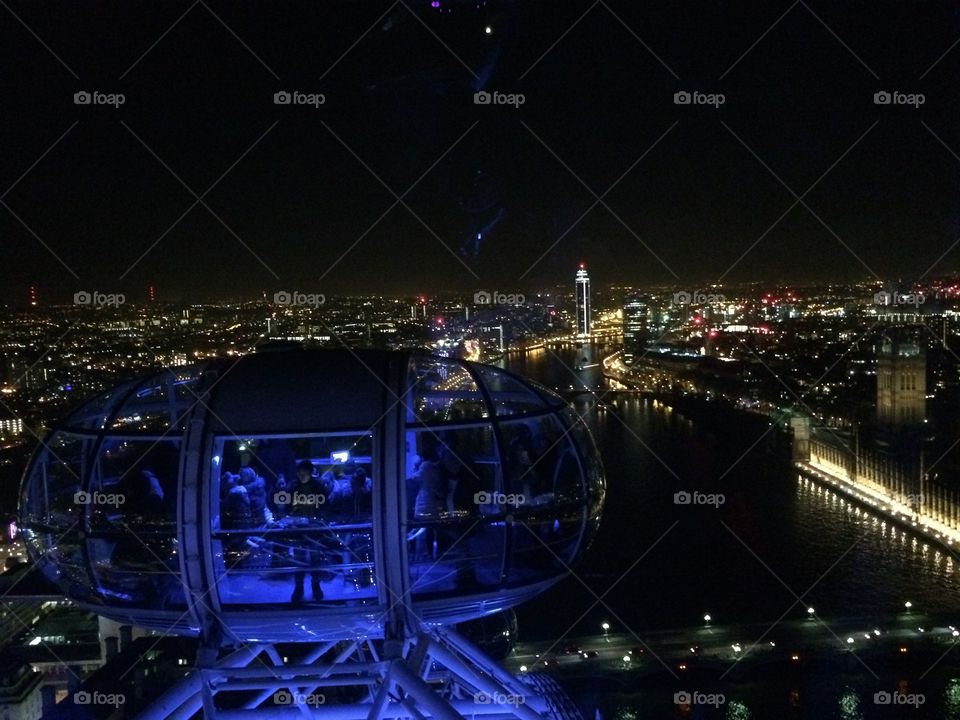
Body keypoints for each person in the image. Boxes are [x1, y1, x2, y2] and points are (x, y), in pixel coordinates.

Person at [289, 460, 327, 602]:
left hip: (315, 529)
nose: (300, 475)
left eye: (303, 472)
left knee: (315, 559)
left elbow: (325, 506)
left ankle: (315, 586)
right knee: (299, 560)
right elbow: (287, 506)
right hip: (299, 530)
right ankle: (299, 588)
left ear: (311, 472)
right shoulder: (293, 486)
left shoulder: (319, 486)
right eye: (299, 472)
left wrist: (316, 519)